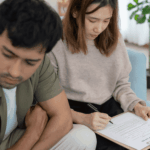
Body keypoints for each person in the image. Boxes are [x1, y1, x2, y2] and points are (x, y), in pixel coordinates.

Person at [47, 0, 150, 149]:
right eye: (92, 20)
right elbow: (46, 98)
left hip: (108, 107)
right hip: (69, 108)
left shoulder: (115, 38)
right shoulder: (56, 41)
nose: (99, 28)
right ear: (75, 12)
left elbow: (120, 85)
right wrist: (81, 118)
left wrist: (136, 105)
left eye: (106, 20)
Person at [0, 0, 96, 150]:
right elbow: (35, 131)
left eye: (30, 62)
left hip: (11, 139)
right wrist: (33, 133)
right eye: (7, 54)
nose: (14, 71)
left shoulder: (41, 61)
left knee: (83, 138)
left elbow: (63, 117)